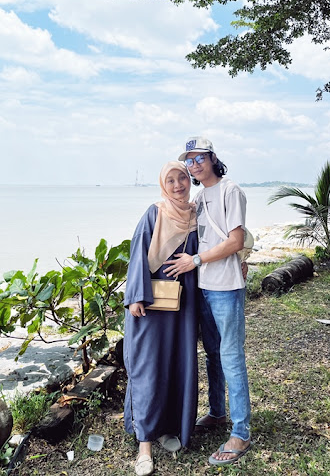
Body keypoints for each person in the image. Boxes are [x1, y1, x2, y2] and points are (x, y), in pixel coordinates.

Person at [165, 137, 252, 466]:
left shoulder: (231, 190)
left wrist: (196, 261)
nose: (194, 164)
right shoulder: (199, 197)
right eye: (189, 161)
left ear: (213, 158)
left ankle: (241, 433)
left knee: (231, 357)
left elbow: (236, 240)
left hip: (225, 288)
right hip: (203, 288)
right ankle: (217, 412)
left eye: (200, 158)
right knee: (212, 355)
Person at [123, 161, 199, 476]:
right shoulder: (154, 213)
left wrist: (240, 261)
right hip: (150, 307)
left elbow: (212, 250)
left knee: (177, 365)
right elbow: (137, 253)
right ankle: (144, 446)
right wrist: (136, 296)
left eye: (182, 177)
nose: (178, 184)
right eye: (171, 179)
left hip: (183, 305)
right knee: (147, 368)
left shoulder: (196, 216)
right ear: (162, 184)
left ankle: (170, 427)